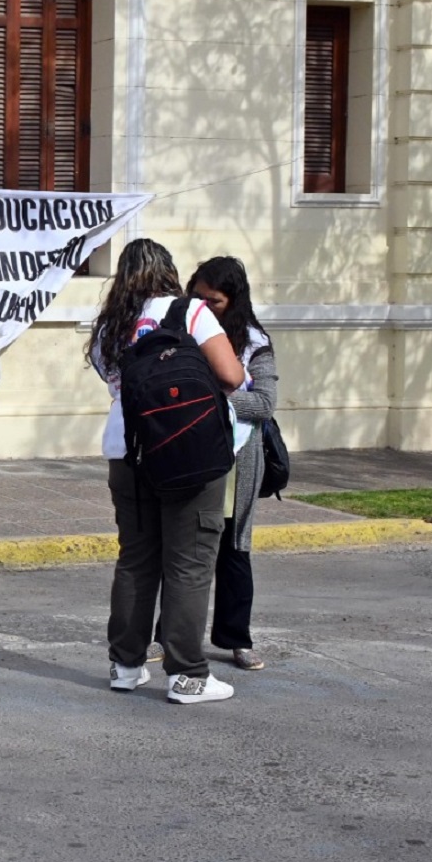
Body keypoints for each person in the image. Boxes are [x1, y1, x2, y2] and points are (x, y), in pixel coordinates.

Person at [88, 238, 243, 705]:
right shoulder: (190, 313)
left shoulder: (110, 327)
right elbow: (232, 376)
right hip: (189, 453)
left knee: (135, 560)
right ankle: (187, 675)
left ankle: (126, 666)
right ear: (170, 272)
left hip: (127, 449)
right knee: (189, 563)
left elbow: (113, 383)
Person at [189, 256, 278, 672]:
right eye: (198, 298)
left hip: (236, 459)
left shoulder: (254, 344)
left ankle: (235, 638)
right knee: (182, 551)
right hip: (187, 456)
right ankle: (166, 635)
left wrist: (215, 398)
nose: (204, 308)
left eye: (216, 302)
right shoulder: (183, 330)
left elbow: (263, 403)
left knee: (233, 548)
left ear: (235, 301)